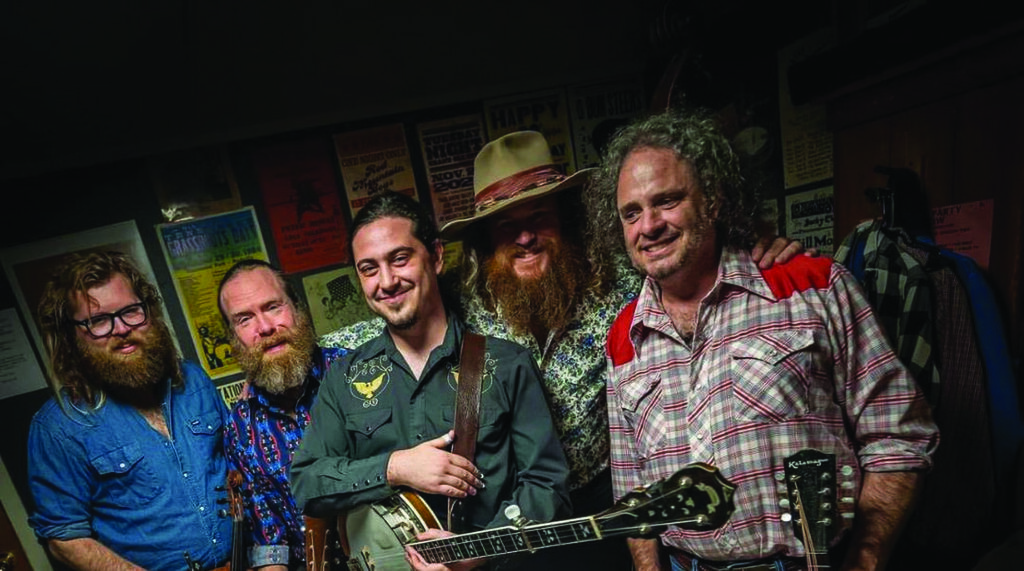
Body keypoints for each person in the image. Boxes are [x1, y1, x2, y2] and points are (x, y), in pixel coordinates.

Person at [321, 130, 806, 569]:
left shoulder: (624, 279)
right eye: (506, 226)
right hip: (513, 521)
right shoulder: (459, 294)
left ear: (565, 217)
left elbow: (685, 250)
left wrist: (752, 242)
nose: (525, 236)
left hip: (606, 505)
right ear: (487, 239)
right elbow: (390, 305)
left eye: (538, 217)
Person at [587, 109, 941, 571]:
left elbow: (899, 433)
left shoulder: (811, 287)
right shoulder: (624, 336)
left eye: (667, 201)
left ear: (712, 200)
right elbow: (632, 486)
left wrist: (866, 559)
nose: (648, 225)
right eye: (631, 213)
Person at [290, 191, 571, 570]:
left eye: (400, 259)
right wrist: (395, 467)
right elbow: (307, 484)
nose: (386, 281)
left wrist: (482, 548)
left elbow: (548, 486)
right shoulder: (344, 378)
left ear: (436, 257)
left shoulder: (506, 364)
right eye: (369, 269)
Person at [26, 251, 232, 571]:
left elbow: (241, 468)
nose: (121, 329)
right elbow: (64, 538)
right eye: (98, 321)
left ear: (148, 311)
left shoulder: (193, 381)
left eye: (130, 311)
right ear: (71, 336)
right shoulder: (58, 427)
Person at [218, 259, 348, 570]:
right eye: (244, 319)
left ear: (297, 308)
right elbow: (268, 537)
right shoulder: (240, 425)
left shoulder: (353, 374)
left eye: (273, 307)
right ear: (233, 336)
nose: (264, 328)